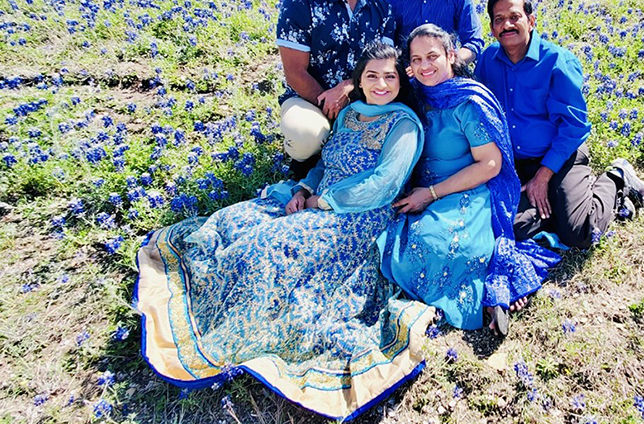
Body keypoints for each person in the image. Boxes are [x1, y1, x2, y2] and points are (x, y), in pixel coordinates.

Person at [135, 43, 432, 422]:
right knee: (232, 223)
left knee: (268, 249)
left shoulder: (404, 123)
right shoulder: (351, 113)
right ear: (358, 80)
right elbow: (325, 164)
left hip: (359, 217)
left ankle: (238, 329)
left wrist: (324, 203)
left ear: (399, 82)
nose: (380, 84)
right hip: (321, 200)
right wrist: (304, 190)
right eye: (371, 75)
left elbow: (385, 184)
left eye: (390, 76)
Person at [379, 24, 560, 335]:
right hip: (420, 187)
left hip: (467, 187)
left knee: (439, 244)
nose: (425, 66)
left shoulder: (467, 101)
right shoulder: (411, 94)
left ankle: (487, 296)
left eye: (433, 56)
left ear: (451, 55)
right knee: (397, 243)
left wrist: (431, 194)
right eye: (417, 59)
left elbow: (489, 164)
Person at [475, 0, 644, 250]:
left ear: (531, 20)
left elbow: (574, 126)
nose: (507, 25)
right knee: (508, 225)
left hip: (560, 155)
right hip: (516, 161)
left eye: (514, 16)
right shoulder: (487, 61)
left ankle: (616, 178)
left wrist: (543, 176)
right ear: (491, 28)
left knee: (581, 233)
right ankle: (560, 206)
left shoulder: (557, 61)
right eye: (499, 20)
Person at [276, 0, 396, 178]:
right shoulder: (301, 2)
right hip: (309, 98)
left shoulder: (382, 8)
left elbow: (386, 65)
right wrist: (329, 107)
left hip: (366, 99)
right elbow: (295, 73)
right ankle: (307, 159)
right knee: (307, 135)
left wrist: (348, 87)